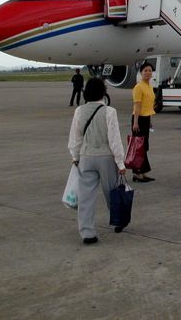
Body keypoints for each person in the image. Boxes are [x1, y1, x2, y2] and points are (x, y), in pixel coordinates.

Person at [68, 77, 127, 244]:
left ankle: (87, 232)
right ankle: (118, 221)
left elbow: (76, 136)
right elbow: (114, 139)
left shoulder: (79, 111)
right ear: (103, 92)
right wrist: (120, 162)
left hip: (86, 157)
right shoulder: (109, 111)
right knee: (112, 192)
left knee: (86, 197)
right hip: (106, 157)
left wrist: (75, 156)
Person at [131, 62, 156, 183]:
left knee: (144, 146)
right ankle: (137, 173)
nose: (148, 73)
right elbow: (137, 105)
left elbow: (149, 105)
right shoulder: (138, 87)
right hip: (138, 119)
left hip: (146, 118)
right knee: (139, 147)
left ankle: (142, 172)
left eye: (150, 70)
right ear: (141, 73)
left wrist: (150, 119)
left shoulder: (149, 86)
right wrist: (135, 123)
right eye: (145, 70)